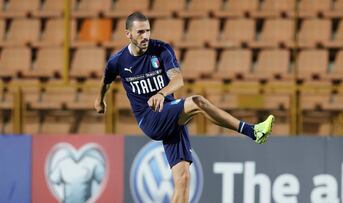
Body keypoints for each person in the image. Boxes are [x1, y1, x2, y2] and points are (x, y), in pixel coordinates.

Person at [94, 12, 274, 203]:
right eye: (140, 32)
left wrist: (162, 93)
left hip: (169, 111)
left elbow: (178, 79)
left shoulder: (161, 49)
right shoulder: (118, 60)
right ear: (128, 34)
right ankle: (252, 131)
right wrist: (100, 100)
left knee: (184, 179)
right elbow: (106, 81)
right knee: (197, 102)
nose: (145, 36)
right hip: (149, 118)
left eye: (147, 30)